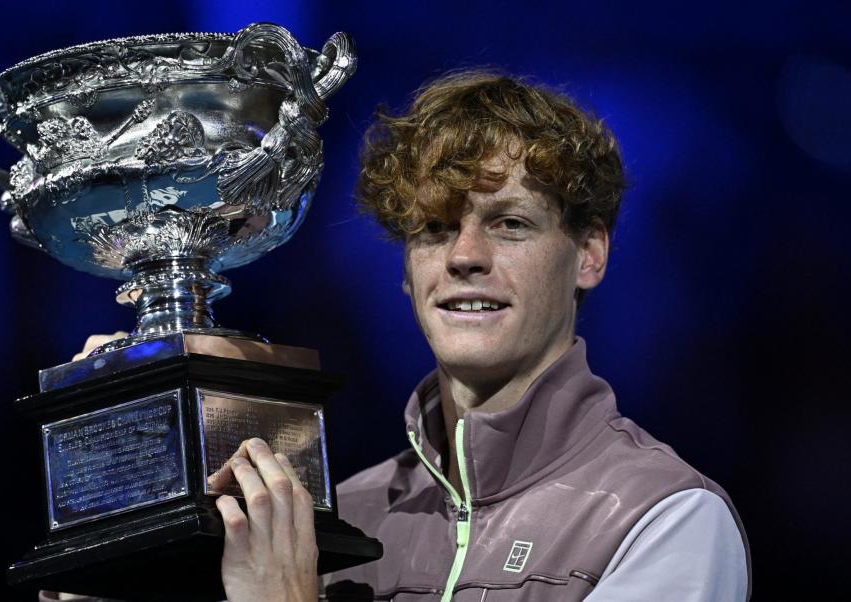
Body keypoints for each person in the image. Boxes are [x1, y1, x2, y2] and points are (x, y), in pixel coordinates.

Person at [52, 70, 751, 602]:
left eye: (509, 223)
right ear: (408, 275)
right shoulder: (337, 519)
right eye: (435, 229)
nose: (464, 256)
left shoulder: (665, 518)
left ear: (590, 255)